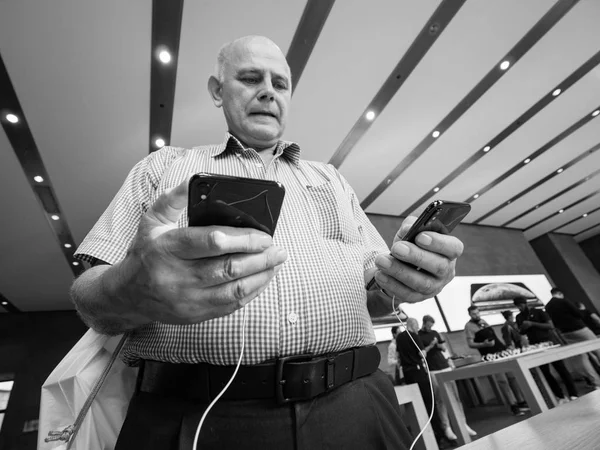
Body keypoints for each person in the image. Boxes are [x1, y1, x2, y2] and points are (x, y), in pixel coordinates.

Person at [69, 36, 465, 449]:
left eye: (280, 83)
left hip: (360, 404)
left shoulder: (331, 179)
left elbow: (377, 294)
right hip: (197, 417)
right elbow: (90, 298)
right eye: (250, 78)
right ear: (217, 91)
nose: (268, 91)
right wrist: (132, 288)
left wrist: (407, 276)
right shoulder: (163, 167)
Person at [418, 315, 477, 440]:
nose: (431, 327)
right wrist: (431, 345)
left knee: (455, 396)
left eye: (432, 325)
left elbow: (444, 348)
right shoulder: (418, 336)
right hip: (432, 368)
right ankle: (447, 427)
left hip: (444, 365)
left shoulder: (435, 333)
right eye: (429, 324)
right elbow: (421, 354)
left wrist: (438, 345)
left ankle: (463, 423)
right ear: (425, 323)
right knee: (440, 399)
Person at [464, 306, 529, 416]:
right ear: (470, 315)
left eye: (477, 313)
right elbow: (470, 344)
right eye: (474, 314)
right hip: (489, 355)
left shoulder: (483, 321)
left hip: (500, 351)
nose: (476, 315)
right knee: (502, 381)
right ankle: (513, 406)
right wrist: (484, 344)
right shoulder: (468, 327)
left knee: (512, 377)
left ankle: (521, 401)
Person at [513, 297, 578, 402]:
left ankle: (573, 393)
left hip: (548, 342)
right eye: (517, 306)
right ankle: (560, 395)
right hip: (535, 346)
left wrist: (532, 324)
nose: (519, 308)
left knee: (561, 369)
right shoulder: (519, 317)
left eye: (520, 305)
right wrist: (522, 328)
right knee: (545, 372)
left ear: (525, 303)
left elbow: (550, 325)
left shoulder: (538, 312)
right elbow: (521, 332)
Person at [396, 318, 449, 447]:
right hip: (419, 373)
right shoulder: (414, 335)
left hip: (408, 375)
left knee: (417, 407)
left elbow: (398, 357)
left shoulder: (399, 338)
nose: (417, 327)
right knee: (430, 404)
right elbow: (422, 354)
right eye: (417, 325)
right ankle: (440, 438)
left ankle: (425, 438)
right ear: (412, 325)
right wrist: (431, 345)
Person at [545, 288, 600, 389]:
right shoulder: (563, 301)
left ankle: (597, 383)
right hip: (579, 329)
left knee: (582, 358)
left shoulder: (547, 306)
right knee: (597, 350)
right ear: (560, 293)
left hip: (565, 333)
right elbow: (578, 314)